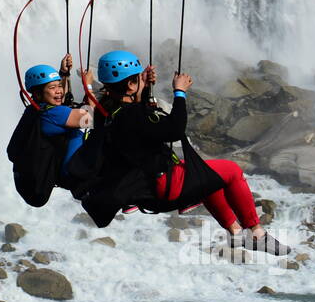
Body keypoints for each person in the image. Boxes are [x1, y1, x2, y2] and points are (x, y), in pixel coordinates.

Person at [81, 49, 289, 255]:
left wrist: (142, 89)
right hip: (166, 186)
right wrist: (179, 92)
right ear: (130, 84)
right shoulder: (134, 115)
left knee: (209, 178)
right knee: (232, 170)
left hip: (142, 189)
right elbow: (174, 130)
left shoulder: (105, 112)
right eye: (137, 79)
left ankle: (236, 232)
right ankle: (257, 233)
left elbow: (134, 120)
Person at [7, 55, 94, 206]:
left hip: (33, 182)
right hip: (64, 177)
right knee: (78, 134)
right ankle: (82, 183)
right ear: (38, 94)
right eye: (52, 88)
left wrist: (64, 74)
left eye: (59, 85)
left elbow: (61, 102)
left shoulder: (35, 110)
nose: (59, 91)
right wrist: (89, 86)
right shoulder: (52, 114)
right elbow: (90, 118)